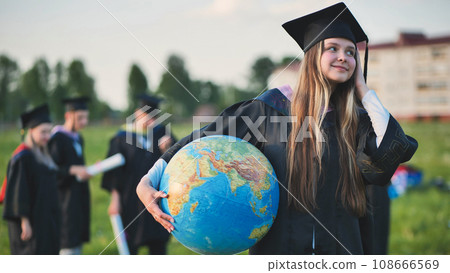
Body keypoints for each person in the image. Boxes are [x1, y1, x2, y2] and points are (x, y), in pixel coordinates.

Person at [136, 2, 418, 254]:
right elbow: (201, 139)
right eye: (332, 48)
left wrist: (363, 89)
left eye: (350, 52)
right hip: (280, 251)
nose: (343, 57)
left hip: (341, 250)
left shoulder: (354, 122)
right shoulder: (270, 110)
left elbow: (389, 151)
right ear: (312, 56)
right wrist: (147, 181)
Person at [102, 95, 175, 255]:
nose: (151, 121)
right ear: (137, 113)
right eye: (148, 116)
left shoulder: (162, 133)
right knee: (130, 246)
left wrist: (167, 149)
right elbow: (114, 173)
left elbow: (175, 163)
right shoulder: (121, 137)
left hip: (156, 196)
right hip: (129, 200)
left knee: (158, 247)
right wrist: (115, 200)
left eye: (155, 117)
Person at [2, 104, 60, 254]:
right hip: (30, 223)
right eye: (43, 132)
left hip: (45, 220)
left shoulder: (43, 155)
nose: (47, 136)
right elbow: (19, 191)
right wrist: (24, 221)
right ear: (31, 131)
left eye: (49, 132)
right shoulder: (23, 158)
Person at [48, 96, 92, 255]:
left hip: (77, 200)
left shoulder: (78, 138)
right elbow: (51, 171)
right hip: (63, 202)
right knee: (67, 246)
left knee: (77, 244)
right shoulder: (57, 139)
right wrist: (72, 170)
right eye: (80, 118)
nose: (84, 122)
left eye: (86, 117)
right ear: (68, 116)